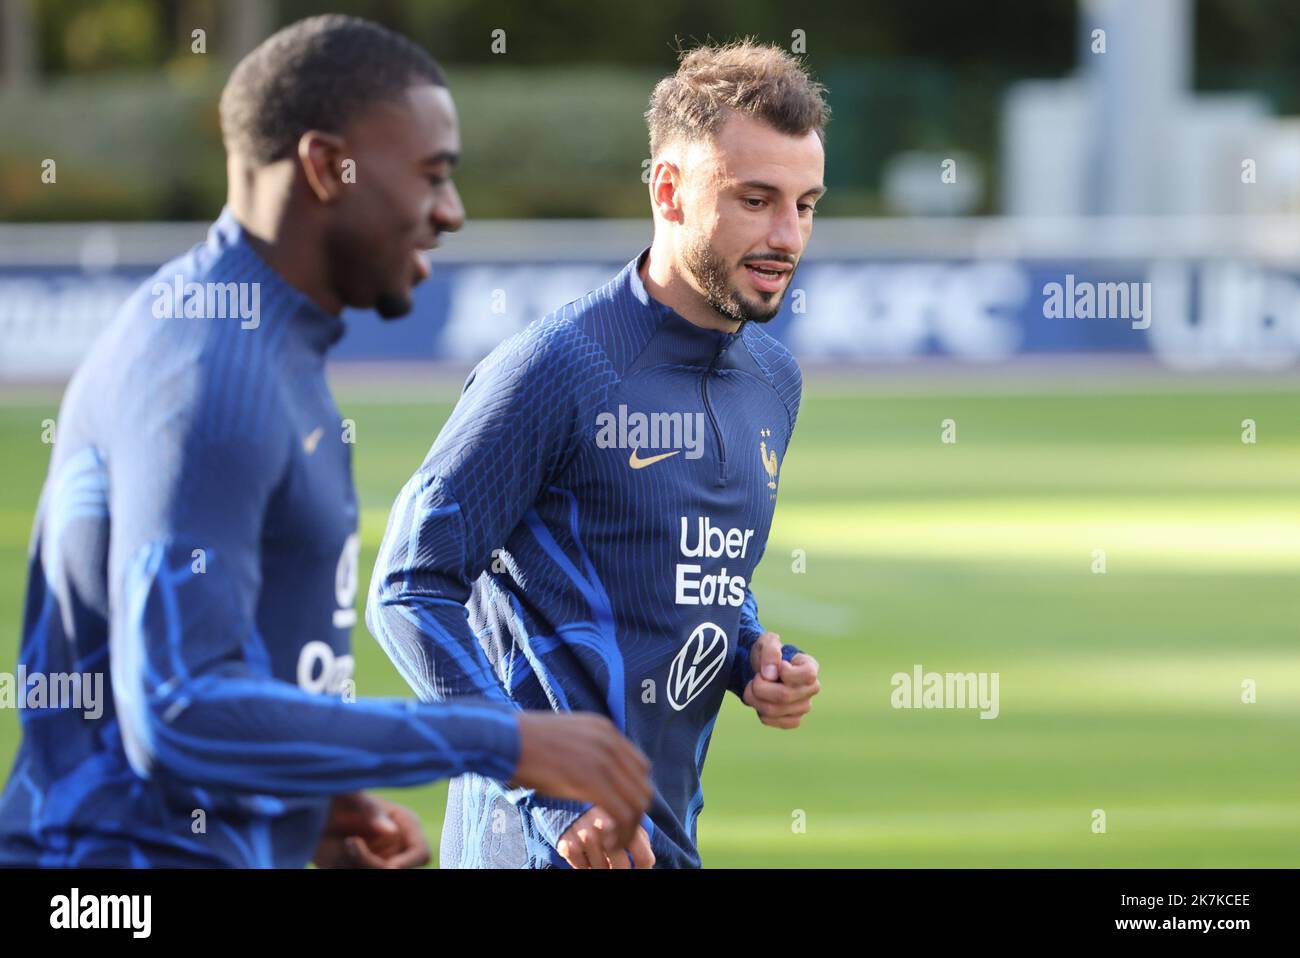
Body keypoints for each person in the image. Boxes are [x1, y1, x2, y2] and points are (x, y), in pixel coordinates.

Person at [0, 14, 650, 869]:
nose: (451, 213)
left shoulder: (267, 346)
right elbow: (178, 712)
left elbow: (236, 668)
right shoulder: (208, 370)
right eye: (431, 175)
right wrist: (499, 738)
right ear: (322, 166)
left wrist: (309, 808)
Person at [367, 39, 825, 869]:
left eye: (806, 204)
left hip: (666, 843)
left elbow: (681, 571)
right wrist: (548, 795)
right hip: (531, 851)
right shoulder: (558, 367)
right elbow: (407, 587)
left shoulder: (773, 380)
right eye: (755, 200)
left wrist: (753, 654)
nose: (786, 235)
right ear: (668, 191)